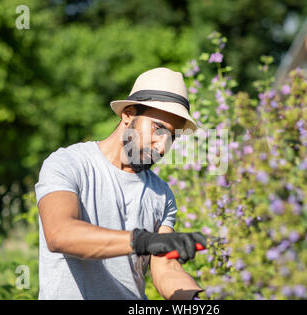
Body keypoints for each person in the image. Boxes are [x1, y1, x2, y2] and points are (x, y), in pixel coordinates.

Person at [35, 67, 207, 300]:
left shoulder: (162, 195)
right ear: (128, 114)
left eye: (172, 137)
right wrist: (143, 241)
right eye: (158, 129)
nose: (162, 147)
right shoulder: (68, 163)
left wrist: (197, 302)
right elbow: (60, 234)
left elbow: (167, 269)